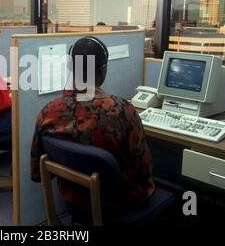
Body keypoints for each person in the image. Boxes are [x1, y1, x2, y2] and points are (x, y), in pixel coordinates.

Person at [30, 36, 155, 215]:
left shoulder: (48, 112)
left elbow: (37, 173)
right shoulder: (122, 110)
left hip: (72, 198)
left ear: (71, 67)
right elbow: (142, 172)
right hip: (118, 205)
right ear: (103, 70)